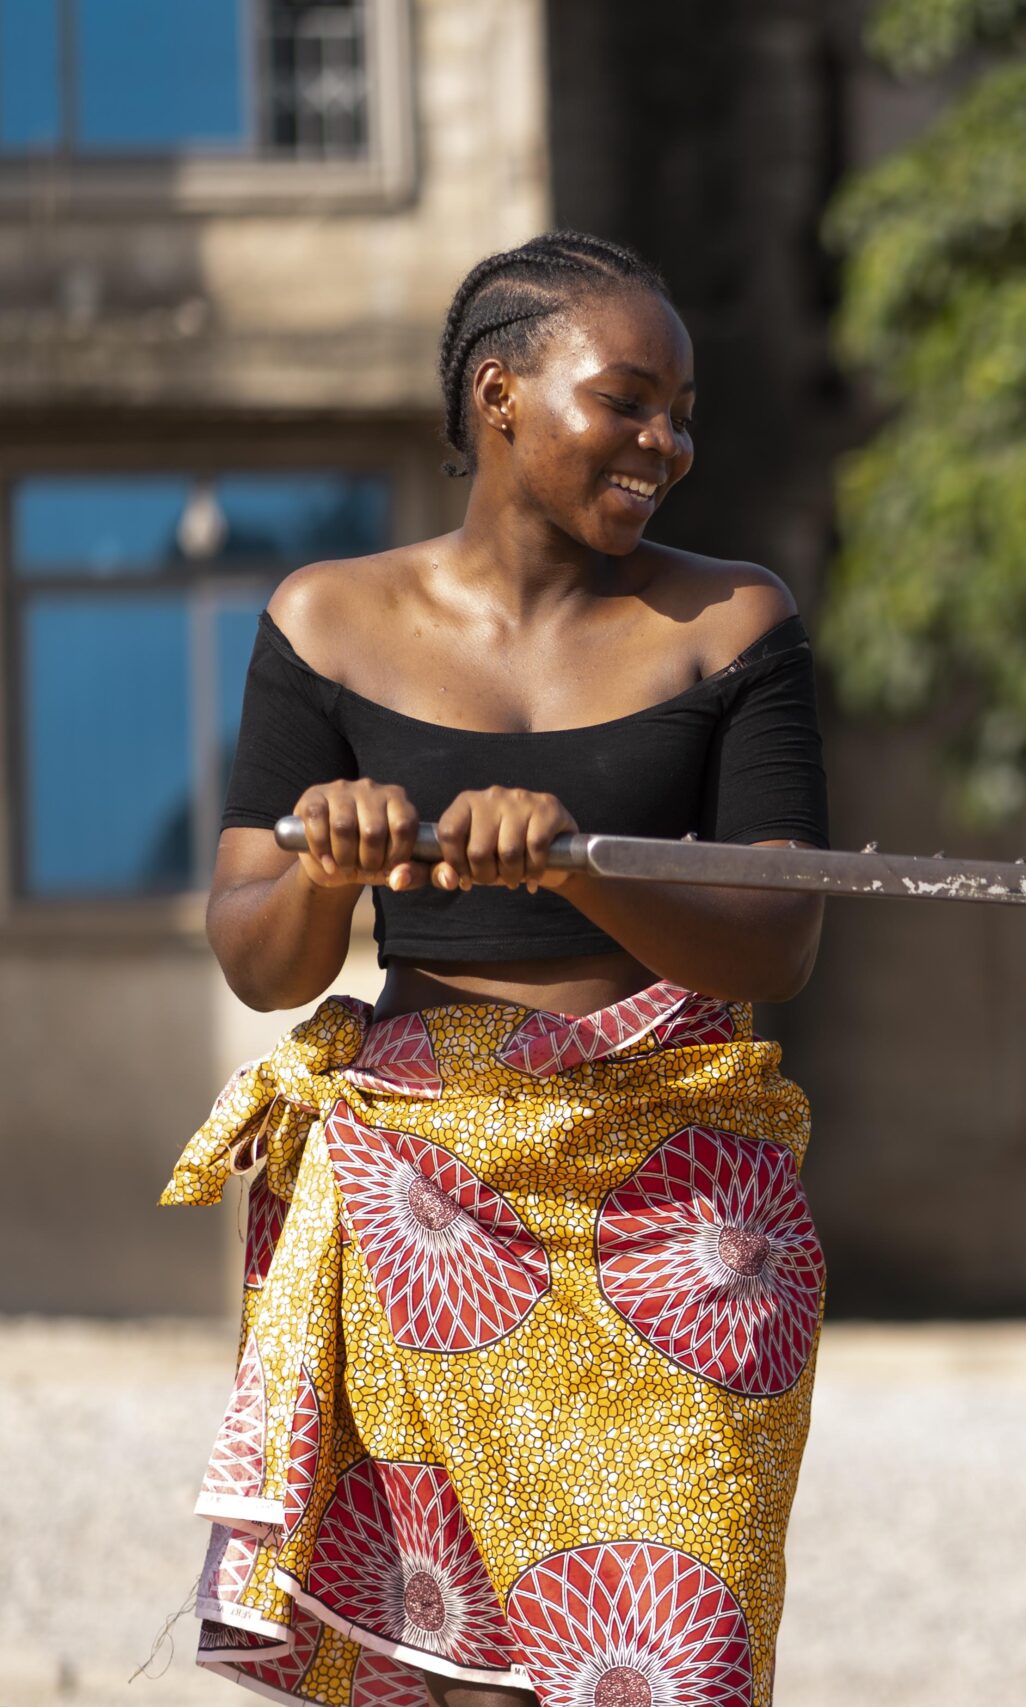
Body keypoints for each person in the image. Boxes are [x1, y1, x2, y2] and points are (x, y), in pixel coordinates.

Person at [160, 232, 831, 1707]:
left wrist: (587, 857)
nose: (670, 443)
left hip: (684, 1208)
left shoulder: (734, 623)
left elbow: (779, 935)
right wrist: (329, 864)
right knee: (454, 1669)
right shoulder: (326, 622)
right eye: (632, 401)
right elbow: (259, 957)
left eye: (685, 410)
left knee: (672, 1649)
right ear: (501, 393)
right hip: (430, 1208)